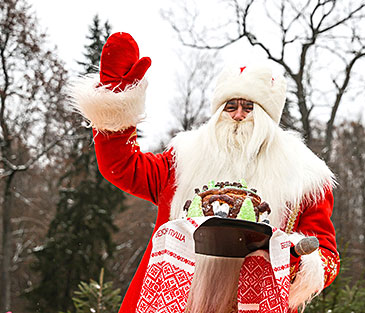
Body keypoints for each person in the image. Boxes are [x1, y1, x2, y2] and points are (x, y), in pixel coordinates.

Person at [70, 32, 340, 313]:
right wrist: (115, 101)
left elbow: (327, 257)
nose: (237, 115)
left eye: (249, 107)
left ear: (267, 116)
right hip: (177, 301)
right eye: (230, 106)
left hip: (253, 303)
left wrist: (294, 258)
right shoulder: (183, 159)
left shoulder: (303, 176)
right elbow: (124, 167)